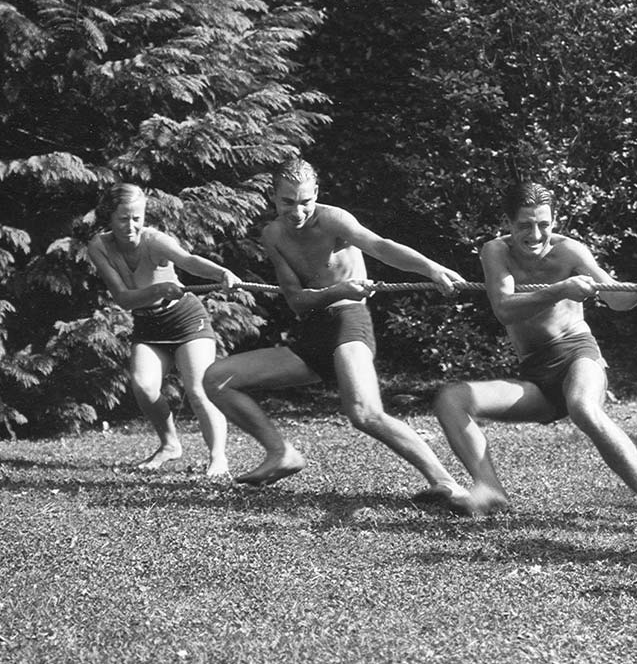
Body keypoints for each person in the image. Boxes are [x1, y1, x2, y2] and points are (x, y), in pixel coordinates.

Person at [202, 158, 470, 506]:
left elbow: (380, 246)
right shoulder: (273, 235)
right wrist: (336, 290)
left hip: (349, 322)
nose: (297, 211)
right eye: (287, 202)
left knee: (363, 413)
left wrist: (431, 268)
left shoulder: (333, 220)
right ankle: (281, 454)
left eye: (305, 201)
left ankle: (447, 484)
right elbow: (297, 302)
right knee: (216, 379)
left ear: (316, 195)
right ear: (273, 197)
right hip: (311, 333)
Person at [432, 182, 637, 530]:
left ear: (555, 220)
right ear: (508, 222)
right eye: (525, 225)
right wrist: (561, 289)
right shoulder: (495, 252)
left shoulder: (570, 252)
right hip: (536, 374)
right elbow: (504, 309)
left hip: (578, 355)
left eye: (544, 225)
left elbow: (615, 298)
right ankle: (490, 491)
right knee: (450, 398)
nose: (536, 235)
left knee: (583, 407)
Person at [83, 183, 241, 476]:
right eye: (123, 219)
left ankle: (218, 458)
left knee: (199, 389)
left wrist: (222, 273)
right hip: (148, 323)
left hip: (184, 318)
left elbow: (189, 261)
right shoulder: (99, 246)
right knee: (143, 386)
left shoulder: (155, 241)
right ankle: (170, 444)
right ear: (109, 216)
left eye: (137, 218)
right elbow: (122, 297)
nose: (131, 226)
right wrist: (159, 290)